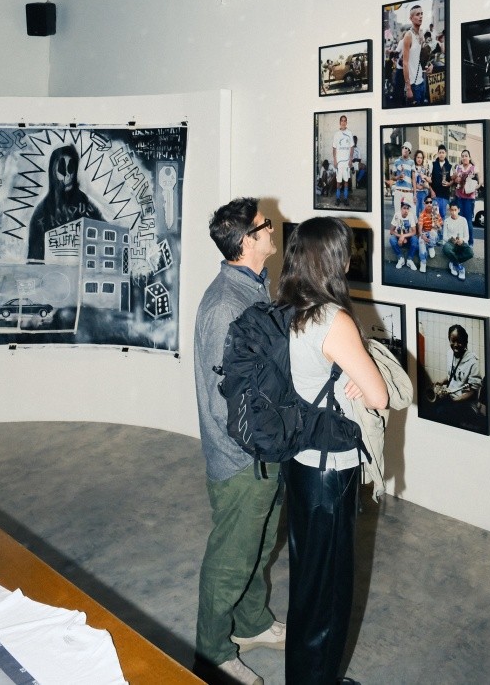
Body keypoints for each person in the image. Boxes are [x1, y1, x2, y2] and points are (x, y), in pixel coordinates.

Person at [276, 217, 388, 685]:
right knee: (330, 592)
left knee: (308, 584)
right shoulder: (333, 320)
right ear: (331, 259)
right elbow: (379, 395)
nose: (349, 260)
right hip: (330, 470)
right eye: (344, 252)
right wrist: (361, 379)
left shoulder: (288, 307)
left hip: (300, 459)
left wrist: (348, 378)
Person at [193, 199, 284, 685]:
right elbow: (220, 400)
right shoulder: (225, 306)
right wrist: (254, 450)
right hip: (242, 460)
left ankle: (251, 623)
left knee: (259, 545)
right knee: (231, 559)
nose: (273, 229)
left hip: (265, 450)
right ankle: (211, 653)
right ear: (248, 241)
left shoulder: (253, 285)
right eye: (265, 225)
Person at [27, 144, 103, 260]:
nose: (68, 174)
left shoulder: (86, 204)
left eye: (71, 167)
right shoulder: (42, 212)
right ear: (53, 171)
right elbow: (34, 256)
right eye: (62, 168)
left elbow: (104, 233)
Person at [429, 324, 483, 428]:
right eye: (452, 341)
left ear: (465, 342)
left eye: (459, 341)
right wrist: (442, 381)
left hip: (465, 402)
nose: (455, 345)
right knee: (432, 409)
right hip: (451, 397)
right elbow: (453, 376)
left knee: (441, 414)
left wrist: (455, 400)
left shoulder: (472, 362)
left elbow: (472, 391)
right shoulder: (450, 354)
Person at [402, 4, 428, 105]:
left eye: (421, 14)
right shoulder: (408, 35)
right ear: (411, 18)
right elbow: (405, 63)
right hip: (413, 85)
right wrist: (408, 88)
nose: (421, 16)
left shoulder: (420, 34)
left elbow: (419, 59)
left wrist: (428, 65)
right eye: (417, 14)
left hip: (421, 81)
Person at [451, 148, 478, 246]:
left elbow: (479, 182)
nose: (464, 158)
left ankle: (470, 242)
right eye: (462, 156)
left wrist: (473, 187)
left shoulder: (473, 168)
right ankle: (460, 242)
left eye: (466, 156)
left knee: (468, 221)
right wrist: (455, 179)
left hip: (469, 199)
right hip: (459, 197)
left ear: (469, 157)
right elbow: (453, 179)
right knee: (459, 220)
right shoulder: (458, 167)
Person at [441, 199, 473, 281]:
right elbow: (444, 237)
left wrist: (462, 241)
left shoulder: (463, 220)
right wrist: (451, 239)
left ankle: (453, 263)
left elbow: (467, 236)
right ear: (449, 210)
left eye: (455, 210)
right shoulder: (446, 221)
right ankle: (460, 267)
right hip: (450, 243)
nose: (453, 212)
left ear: (459, 210)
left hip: (460, 243)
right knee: (446, 249)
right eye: (452, 210)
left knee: (470, 253)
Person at [389, 201, 418, 271]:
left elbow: (414, 232)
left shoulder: (410, 215)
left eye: (407, 208)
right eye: (404, 208)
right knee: (392, 239)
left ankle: (409, 260)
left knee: (415, 239)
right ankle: (400, 258)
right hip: (399, 239)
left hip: (408, 238)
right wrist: (400, 236)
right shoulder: (397, 215)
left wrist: (403, 236)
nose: (406, 210)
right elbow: (391, 231)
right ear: (401, 208)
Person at [332, 115, 354, 206]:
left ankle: (345, 198)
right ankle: (337, 198)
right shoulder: (336, 134)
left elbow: (352, 147)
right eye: (342, 121)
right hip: (339, 162)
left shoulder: (349, 133)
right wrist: (335, 160)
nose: (343, 122)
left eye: (345, 121)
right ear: (340, 122)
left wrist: (351, 159)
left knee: (346, 181)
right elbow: (334, 148)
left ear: (346, 122)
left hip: (347, 162)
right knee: (338, 182)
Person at [417, 196, 441, 273]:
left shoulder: (435, 212)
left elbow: (440, 226)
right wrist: (422, 235)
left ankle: (431, 246)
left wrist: (437, 224)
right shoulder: (422, 214)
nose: (429, 204)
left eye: (431, 202)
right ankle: (423, 262)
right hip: (424, 232)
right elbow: (420, 228)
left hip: (433, 232)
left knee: (433, 232)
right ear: (424, 203)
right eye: (427, 202)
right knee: (421, 240)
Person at [390, 141, 415, 213]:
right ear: (402, 149)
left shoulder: (412, 162)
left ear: (409, 151)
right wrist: (398, 177)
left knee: (409, 213)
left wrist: (415, 194)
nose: (405, 149)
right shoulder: (396, 161)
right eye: (404, 148)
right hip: (398, 190)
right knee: (398, 214)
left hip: (408, 191)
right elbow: (392, 177)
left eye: (407, 149)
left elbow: (413, 179)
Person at [430, 143, 452, 227]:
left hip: (444, 196)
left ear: (445, 153)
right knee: (435, 216)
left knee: (442, 216)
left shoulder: (449, 166)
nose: (441, 154)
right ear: (438, 153)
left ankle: (442, 234)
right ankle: (435, 234)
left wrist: (449, 183)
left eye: (443, 152)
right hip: (435, 195)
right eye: (440, 152)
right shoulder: (433, 164)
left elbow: (452, 180)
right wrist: (431, 191)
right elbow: (429, 179)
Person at [413, 148, 431, 219]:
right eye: (418, 157)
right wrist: (416, 186)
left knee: (424, 212)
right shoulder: (413, 168)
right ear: (415, 158)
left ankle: (423, 226)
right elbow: (412, 180)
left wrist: (423, 185)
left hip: (424, 193)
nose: (419, 159)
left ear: (423, 159)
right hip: (416, 193)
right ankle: (417, 226)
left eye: (421, 158)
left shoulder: (425, 169)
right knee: (415, 212)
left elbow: (429, 180)